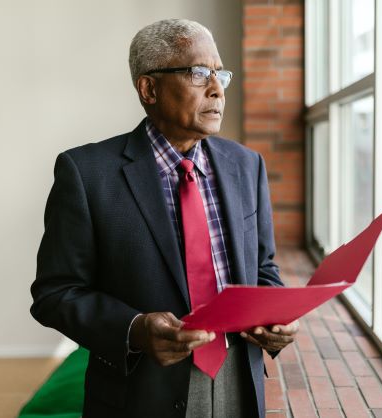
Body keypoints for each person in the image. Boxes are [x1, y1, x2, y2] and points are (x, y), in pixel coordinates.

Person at [30, 18, 299, 418]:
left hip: (240, 383)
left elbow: (263, 268)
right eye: (198, 73)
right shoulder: (86, 174)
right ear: (149, 88)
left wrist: (276, 319)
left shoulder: (247, 165)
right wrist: (135, 329)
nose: (217, 89)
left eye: (220, 74)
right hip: (140, 393)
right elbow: (55, 293)